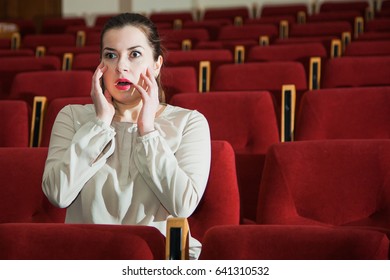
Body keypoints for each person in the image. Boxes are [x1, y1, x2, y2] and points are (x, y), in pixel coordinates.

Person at [42, 12, 211, 259]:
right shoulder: (72, 117)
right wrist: (100, 124)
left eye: (134, 54)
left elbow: (182, 204)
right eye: (111, 55)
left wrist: (147, 129)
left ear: (156, 64)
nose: (121, 66)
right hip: (88, 259)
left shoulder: (189, 122)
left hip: (155, 261)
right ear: (100, 65)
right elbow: (58, 194)